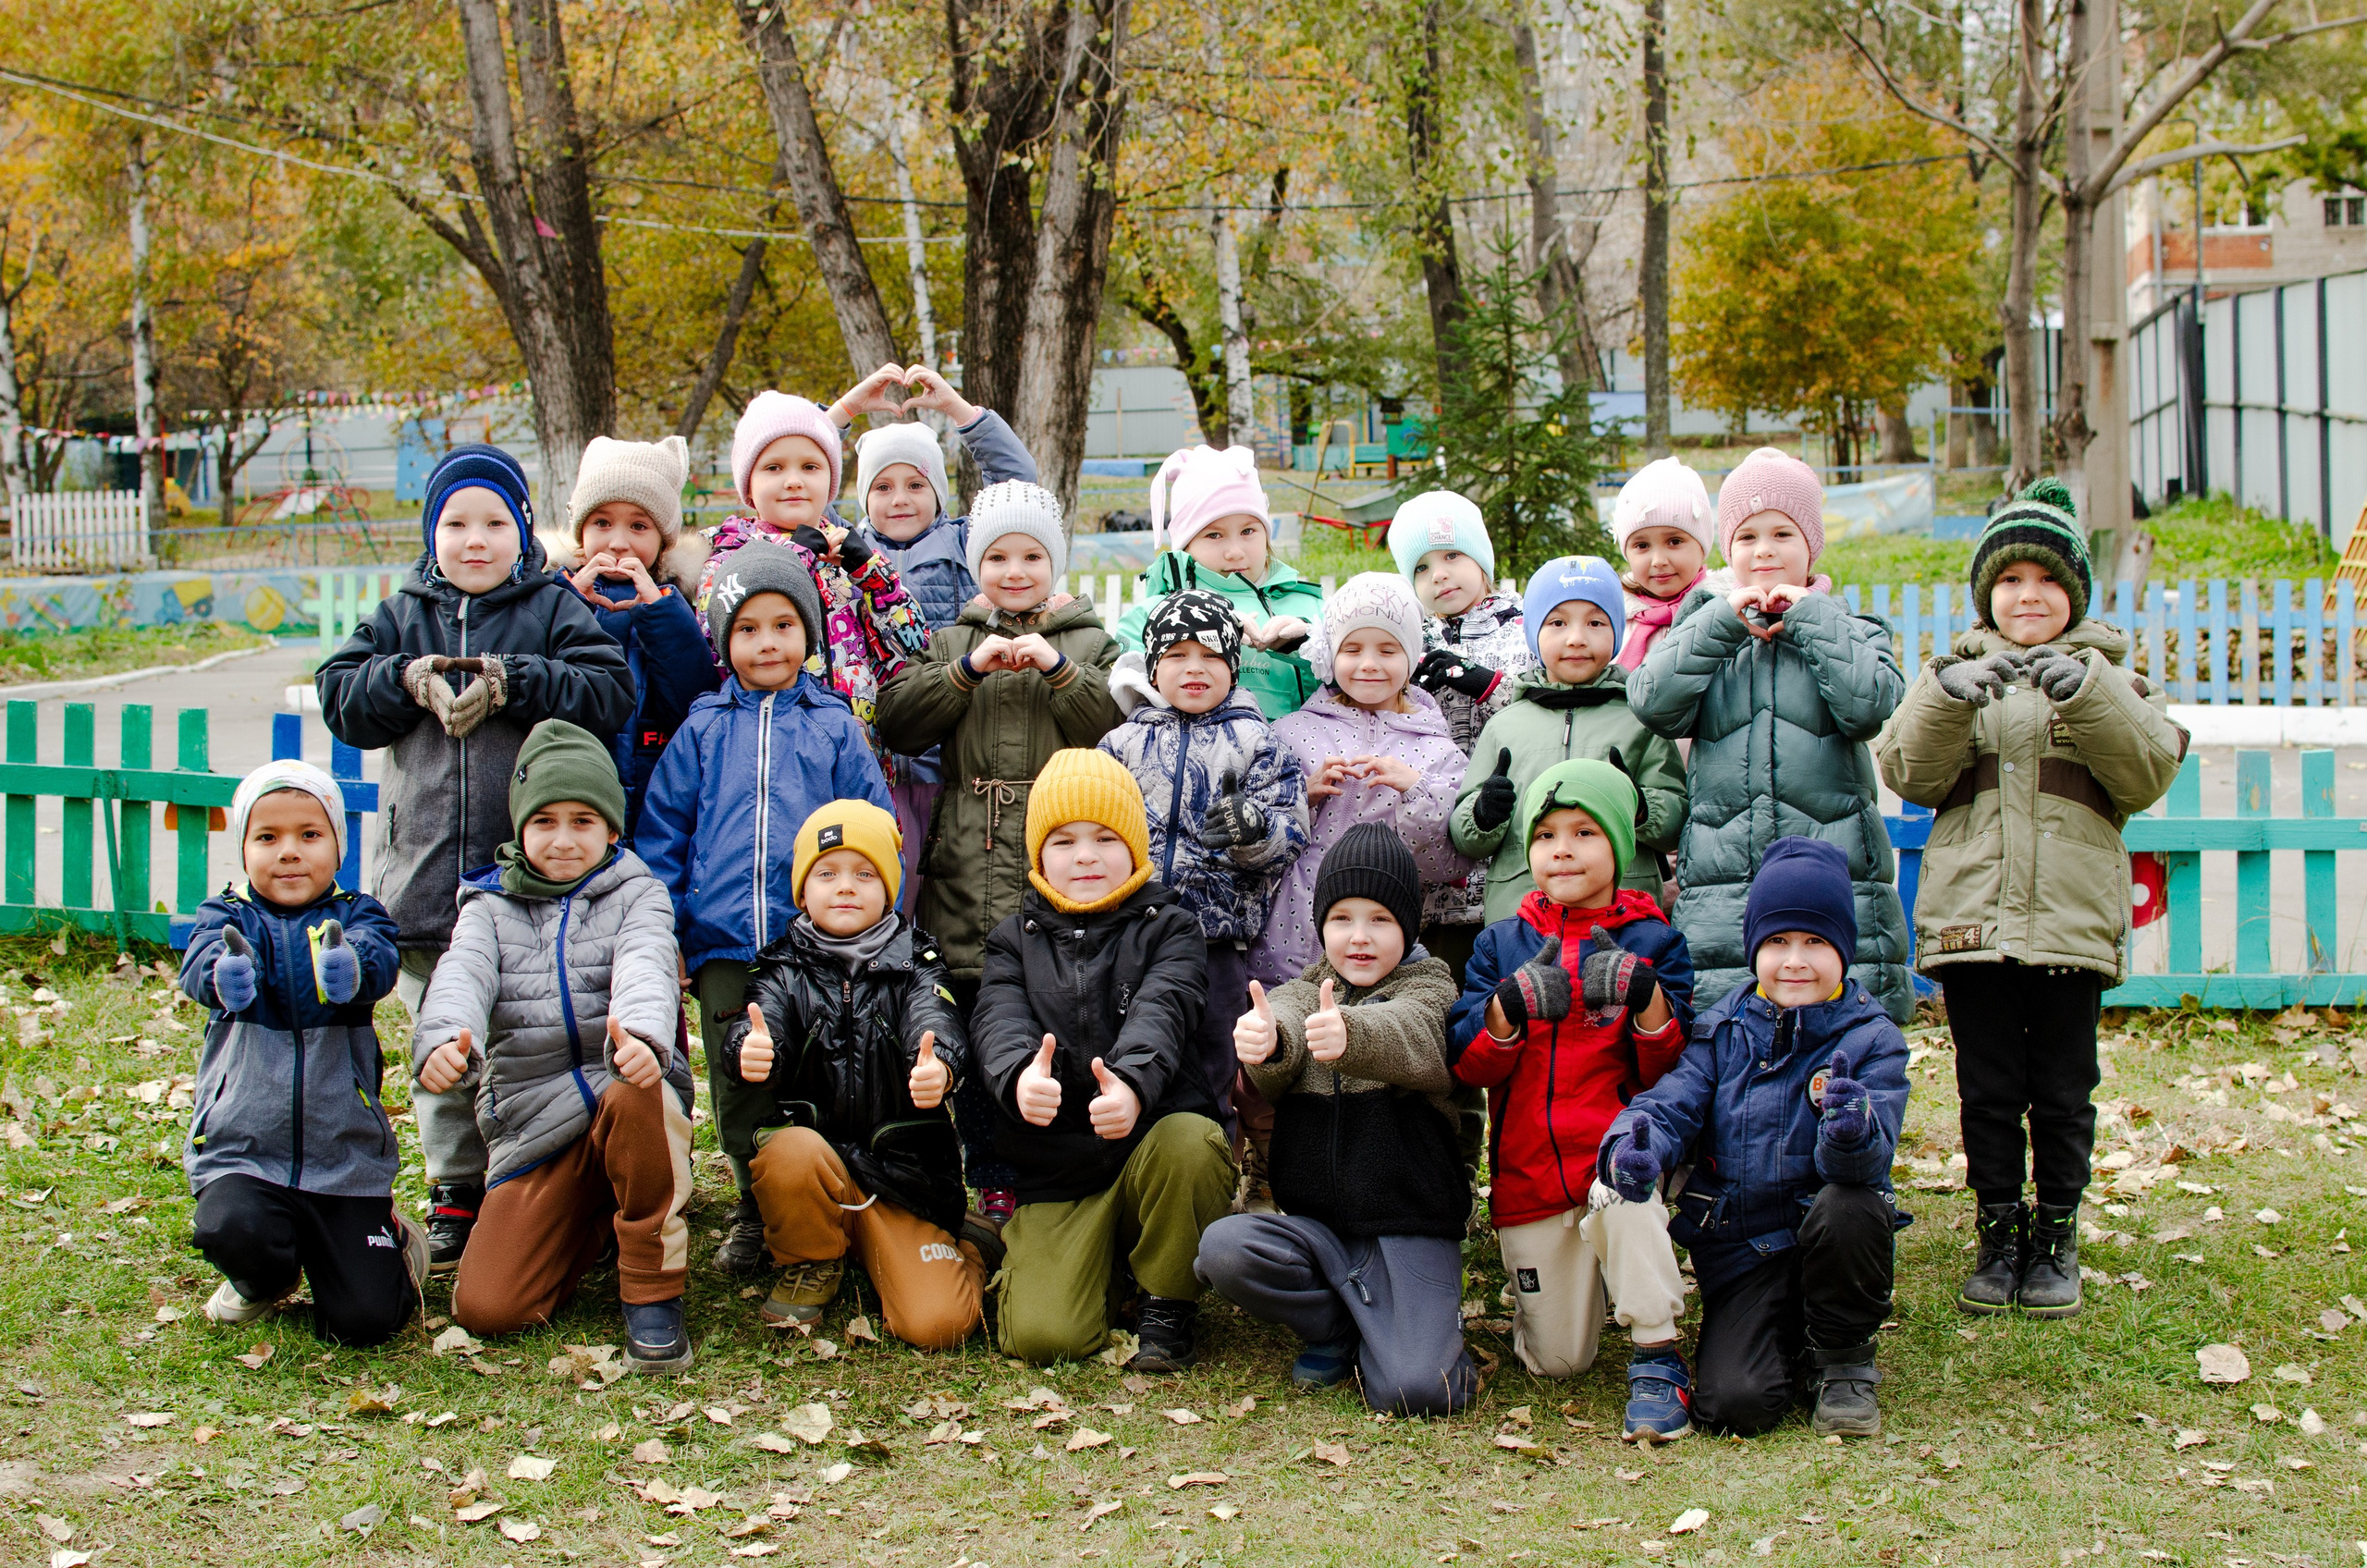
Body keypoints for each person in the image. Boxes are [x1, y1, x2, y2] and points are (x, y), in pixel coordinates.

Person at [315, 442, 634, 1274]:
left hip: (531, 883)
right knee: (444, 1039)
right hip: (423, 882)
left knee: (531, 1033)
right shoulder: (401, 613)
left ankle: (545, 1180)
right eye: (456, 523)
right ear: (432, 534)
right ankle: (456, 1187)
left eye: (495, 522)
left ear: (524, 532)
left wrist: (509, 679)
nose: (476, 540)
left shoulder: (552, 608)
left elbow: (608, 690)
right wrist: (407, 678)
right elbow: (340, 696)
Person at [1875, 479, 2187, 1318]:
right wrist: (1948, 696)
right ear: (1988, 595)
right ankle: (1998, 1226)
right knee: (1987, 1085)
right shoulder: (1951, 674)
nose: (2028, 596)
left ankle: (2055, 1233)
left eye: (2047, 581)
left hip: (2068, 919)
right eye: (2010, 581)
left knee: (2060, 1084)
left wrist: (2086, 692)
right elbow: (1907, 770)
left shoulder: (2115, 678)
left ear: (2073, 593)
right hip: (1973, 917)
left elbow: (2148, 770)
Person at [634, 542, 894, 1277]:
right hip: (721, 946)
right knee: (738, 1078)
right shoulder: (704, 728)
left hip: (811, 946)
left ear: (808, 635)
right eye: (747, 629)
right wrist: (669, 933)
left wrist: (869, 921)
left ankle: (814, 1196)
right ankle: (755, 1203)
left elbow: (873, 828)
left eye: (783, 625)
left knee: (810, 1069)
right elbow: (664, 836)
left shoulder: (836, 726)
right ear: (724, 641)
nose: (767, 642)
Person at [1596, 837, 1910, 1439]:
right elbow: (1670, 1103)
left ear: (1844, 948)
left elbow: (1875, 1153)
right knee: (1735, 1406)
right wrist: (1635, 1146)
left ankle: (1843, 1358)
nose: (1795, 960)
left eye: (1815, 942)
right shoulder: (1722, 1031)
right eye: (1778, 942)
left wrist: (1850, 1133)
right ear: (1754, 950)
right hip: (1746, 1252)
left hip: (1826, 1235)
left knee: (1852, 1202)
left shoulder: (1873, 1040)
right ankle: (1789, 1343)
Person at [410, 721, 696, 1370]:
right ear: (520, 832)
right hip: (536, 1120)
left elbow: (647, 967)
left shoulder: (639, 894)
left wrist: (646, 1037)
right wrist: (440, 1038)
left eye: (582, 821)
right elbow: (461, 975)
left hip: (624, 1098)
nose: (563, 840)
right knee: (490, 1309)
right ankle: (590, 1218)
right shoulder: (487, 906)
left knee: (637, 1088)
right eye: (545, 822)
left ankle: (652, 1287)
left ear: (611, 832)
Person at [875, 481, 1123, 1227]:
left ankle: (1058, 1169)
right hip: (965, 868)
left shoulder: (1089, 640)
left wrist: (1056, 668)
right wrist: (967, 670)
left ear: (1055, 562)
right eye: (998, 557)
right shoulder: (951, 638)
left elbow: (1113, 724)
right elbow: (899, 721)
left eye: (1031, 555)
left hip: (1059, 865)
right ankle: (990, 1180)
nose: (1014, 571)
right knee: (981, 1021)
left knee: (1052, 1021)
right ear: (976, 564)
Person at [1446, 760, 1694, 1435]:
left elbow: (1671, 1073)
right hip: (1530, 1177)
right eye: (1546, 834)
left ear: (1619, 844)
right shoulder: (1500, 942)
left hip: (1615, 1162)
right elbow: (1467, 1067)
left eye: (1585, 832)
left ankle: (1656, 1351)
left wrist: (1647, 1000)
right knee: (1558, 1361)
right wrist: (1505, 1008)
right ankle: (1565, 1287)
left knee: (1626, 1193)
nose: (1562, 849)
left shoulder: (1656, 940)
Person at [1625, 446, 1914, 1022]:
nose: (1764, 550)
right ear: (1727, 549)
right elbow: (1653, 702)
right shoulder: (1707, 628)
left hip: (1835, 869)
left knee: (1841, 1035)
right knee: (1727, 1030)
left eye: (1783, 533)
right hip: (1724, 877)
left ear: (1811, 544)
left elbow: (1868, 705)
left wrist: (1810, 617)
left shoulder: (1853, 627)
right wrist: (1719, 621)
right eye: (1747, 536)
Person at [969, 750, 1235, 1371]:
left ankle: (1168, 1298)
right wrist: (1017, 1079)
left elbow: (1165, 1009)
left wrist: (1133, 1086)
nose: (1084, 855)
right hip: (1058, 1173)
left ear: (1135, 847)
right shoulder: (1012, 939)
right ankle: (1098, 1270)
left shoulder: (1172, 927)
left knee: (1192, 1142)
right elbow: (998, 1020)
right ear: (1038, 856)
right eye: (1063, 840)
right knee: (1042, 1338)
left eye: (1104, 837)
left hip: (1149, 1147)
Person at [1198, 823, 1478, 1414]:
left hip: (1411, 1227)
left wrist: (1351, 1033)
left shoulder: (1433, 989)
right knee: (1225, 1248)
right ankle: (1335, 1328)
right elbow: (1283, 1036)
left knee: (1417, 1391)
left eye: (1380, 919)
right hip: (1320, 1233)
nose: (1359, 938)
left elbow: (1417, 1037)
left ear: (1409, 924)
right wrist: (1266, 1040)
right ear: (1321, 925)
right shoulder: (1307, 989)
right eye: (1342, 918)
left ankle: (1420, 1334)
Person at [711, 800, 984, 1346]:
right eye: (827, 873)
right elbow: (761, 1023)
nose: (845, 887)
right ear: (802, 889)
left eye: (865, 874)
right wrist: (750, 1047)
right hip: (817, 1175)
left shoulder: (919, 961)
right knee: (787, 1150)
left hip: (900, 1180)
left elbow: (937, 1017)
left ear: (888, 888)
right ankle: (811, 1258)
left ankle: (965, 1246)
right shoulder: (779, 966)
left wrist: (940, 1065)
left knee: (939, 1325)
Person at [182, 762, 419, 1345]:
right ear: (244, 849)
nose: (289, 852)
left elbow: (379, 959)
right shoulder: (227, 916)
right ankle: (262, 1276)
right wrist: (222, 975)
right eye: (268, 837)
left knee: (365, 1323)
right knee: (228, 1227)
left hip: (343, 1159)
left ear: (338, 845)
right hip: (245, 1151)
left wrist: (352, 969)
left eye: (309, 835)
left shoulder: (357, 913)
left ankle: (389, 1241)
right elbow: (198, 964)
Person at [1098, 589, 1310, 1155]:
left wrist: (1251, 830)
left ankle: (1212, 1171)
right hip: (1129, 935)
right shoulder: (1120, 745)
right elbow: (1090, 827)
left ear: (1234, 665)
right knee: (1127, 1056)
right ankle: (1131, 1170)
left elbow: (1291, 830)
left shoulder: (1260, 742)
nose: (1195, 668)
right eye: (1176, 656)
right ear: (1152, 665)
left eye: (1211, 655)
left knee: (1215, 1065)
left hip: (1214, 941)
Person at [834, 364, 1042, 906]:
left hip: (949, 754)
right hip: (872, 757)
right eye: (882, 486)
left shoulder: (965, 545)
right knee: (889, 890)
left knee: (948, 888)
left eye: (914, 484)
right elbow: (799, 476)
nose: (899, 498)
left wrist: (960, 413)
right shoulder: (840, 547)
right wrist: (845, 411)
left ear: (938, 492)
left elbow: (1016, 483)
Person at [696, 389, 931, 779]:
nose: (793, 481)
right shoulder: (726, 554)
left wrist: (874, 576)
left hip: (857, 754)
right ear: (748, 486)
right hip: (768, 757)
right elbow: (714, 636)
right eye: (773, 468)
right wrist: (793, 556)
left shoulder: (852, 556)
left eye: (810, 467)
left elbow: (913, 649)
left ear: (831, 480)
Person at [1249, 572, 1470, 987]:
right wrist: (1303, 796)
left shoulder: (1441, 753)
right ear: (1331, 656)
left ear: (1412, 660)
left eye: (1388, 649)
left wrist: (1416, 790)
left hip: (1380, 969)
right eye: (1352, 648)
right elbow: (1255, 843)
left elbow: (1447, 865)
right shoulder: (1291, 732)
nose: (1369, 663)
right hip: (1279, 956)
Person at [1450, 556, 1685, 924]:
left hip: (1621, 921)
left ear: (1617, 633)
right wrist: (1482, 814)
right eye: (1557, 622)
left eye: (1595, 622)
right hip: (1519, 922)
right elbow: (1465, 836)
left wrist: (1639, 806)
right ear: (1533, 633)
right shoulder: (1505, 725)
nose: (1576, 638)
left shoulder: (1640, 720)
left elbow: (1675, 820)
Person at [1386, 490, 1533, 984]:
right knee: (1444, 982)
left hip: (1512, 836)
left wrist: (1485, 684)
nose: (1440, 575)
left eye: (1451, 556)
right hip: (1437, 855)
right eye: (1422, 569)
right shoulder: (1412, 639)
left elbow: (1547, 705)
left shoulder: (1526, 625)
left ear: (1481, 558)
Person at [547, 434, 720, 838]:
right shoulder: (551, 596)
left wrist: (661, 613)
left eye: (639, 525)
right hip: (570, 798)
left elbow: (691, 703)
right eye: (602, 523)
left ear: (664, 540)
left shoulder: (683, 602)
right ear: (580, 530)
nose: (619, 541)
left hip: (656, 799)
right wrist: (572, 606)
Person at [1114, 445, 1327, 721]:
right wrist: (1206, 628)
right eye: (1215, 535)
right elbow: (1127, 695)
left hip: (1307, 760)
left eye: (1248, 530)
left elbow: (1357, 685)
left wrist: (1307, 644)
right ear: (1186, 544)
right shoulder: (1151, 615)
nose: (1235, 551)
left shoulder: (1311, 607)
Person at [1613, 457, 1714, 669]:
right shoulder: (1612, 619)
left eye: (1674, 542)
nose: (1658, 561)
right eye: (1642, 546)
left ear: (1702, 545)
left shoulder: (1723, 612)